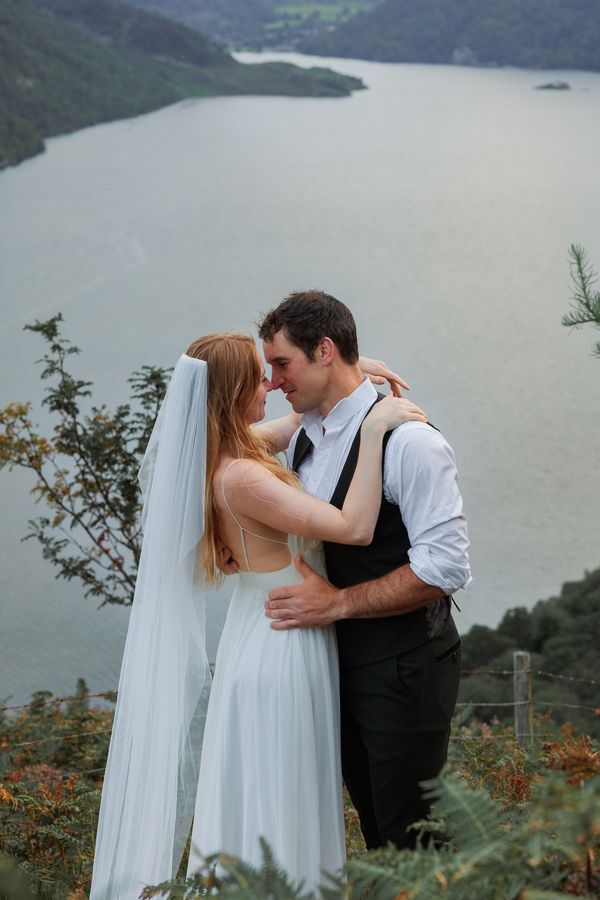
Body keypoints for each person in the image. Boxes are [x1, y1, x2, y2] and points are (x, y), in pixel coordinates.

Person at [89, 332, 426, 899]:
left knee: (269, 800)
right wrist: (373, 431)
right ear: (232, 392)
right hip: (284, 643)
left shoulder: (223, 453)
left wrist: (345, 374)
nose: (271, 385)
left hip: (261, 629)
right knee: (283, 803)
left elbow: (295, 423)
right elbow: (353, 528)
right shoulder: (242, 476)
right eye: (260, 377)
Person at [257, 291, 471, 851]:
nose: (273, 381)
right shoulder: (307, 432)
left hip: (405, 666)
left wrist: (338, 604)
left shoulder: (411, 442)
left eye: (282, 364)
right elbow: (209, 447)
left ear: (324, 350)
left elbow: (445, 566)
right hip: (336, 665)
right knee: (377, 831)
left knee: (413, 838)